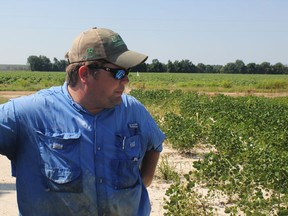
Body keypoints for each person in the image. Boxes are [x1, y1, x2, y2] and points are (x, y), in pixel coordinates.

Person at [0, 27, 165, 216]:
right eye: (118, 73)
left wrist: (141, 184)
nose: (126, 79)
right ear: (85, 74)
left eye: (127, 72)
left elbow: (155, 145)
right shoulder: (28, 114)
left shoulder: (133, 111)